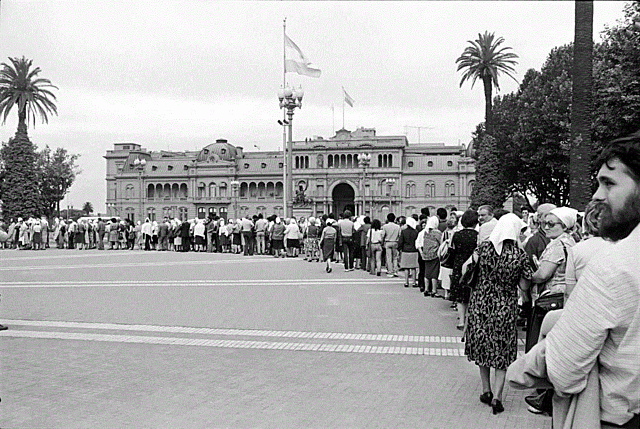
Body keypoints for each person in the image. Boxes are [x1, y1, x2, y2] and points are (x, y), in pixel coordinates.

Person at [510, 132, 640, 428]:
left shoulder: (613, 266)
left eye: (609, 183)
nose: (596, 195)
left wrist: (528, 367)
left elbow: (565, 369)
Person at [465, 213, 533, 415]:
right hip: (505, 308)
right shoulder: (520, 256)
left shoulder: (483, 248)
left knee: (483, 346)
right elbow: (524, 284)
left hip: (480, 304)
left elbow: (466, 268)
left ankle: (485, 390)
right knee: (501, 350)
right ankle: (497, 396)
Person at [448, 209, 479, 332]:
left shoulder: (457, 235)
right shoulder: (478, 236)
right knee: (471, 293)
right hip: (473, 266)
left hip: (458, 266)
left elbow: (451, 251)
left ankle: (461, 321)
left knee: (460, 295)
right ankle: (470, 320)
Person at [416, 216, 442, 297]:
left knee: (427, 272)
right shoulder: (437, 232)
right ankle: (434, 290)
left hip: (425, 254)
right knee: (434, 272)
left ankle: (426, 289)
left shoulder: (426, 232)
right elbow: (441, 242)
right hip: (434, 254)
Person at [398, 216, 420, 288]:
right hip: (414, 250)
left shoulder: (404, 232)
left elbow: (401, 241)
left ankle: (406, 282)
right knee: (413, 268)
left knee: (406, 268)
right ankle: (414, 282)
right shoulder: (416, 232)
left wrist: (399, 249)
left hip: (405, 250)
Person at [382, 212, 401, 277]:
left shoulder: (385, 226)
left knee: (389, 257)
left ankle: (390, 271)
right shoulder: (398, 227)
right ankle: (395, 270)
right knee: (395, 258)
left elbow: (383, 235)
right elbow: (400, 235)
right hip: (395, 242)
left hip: (388, 242)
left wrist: (382, 242)